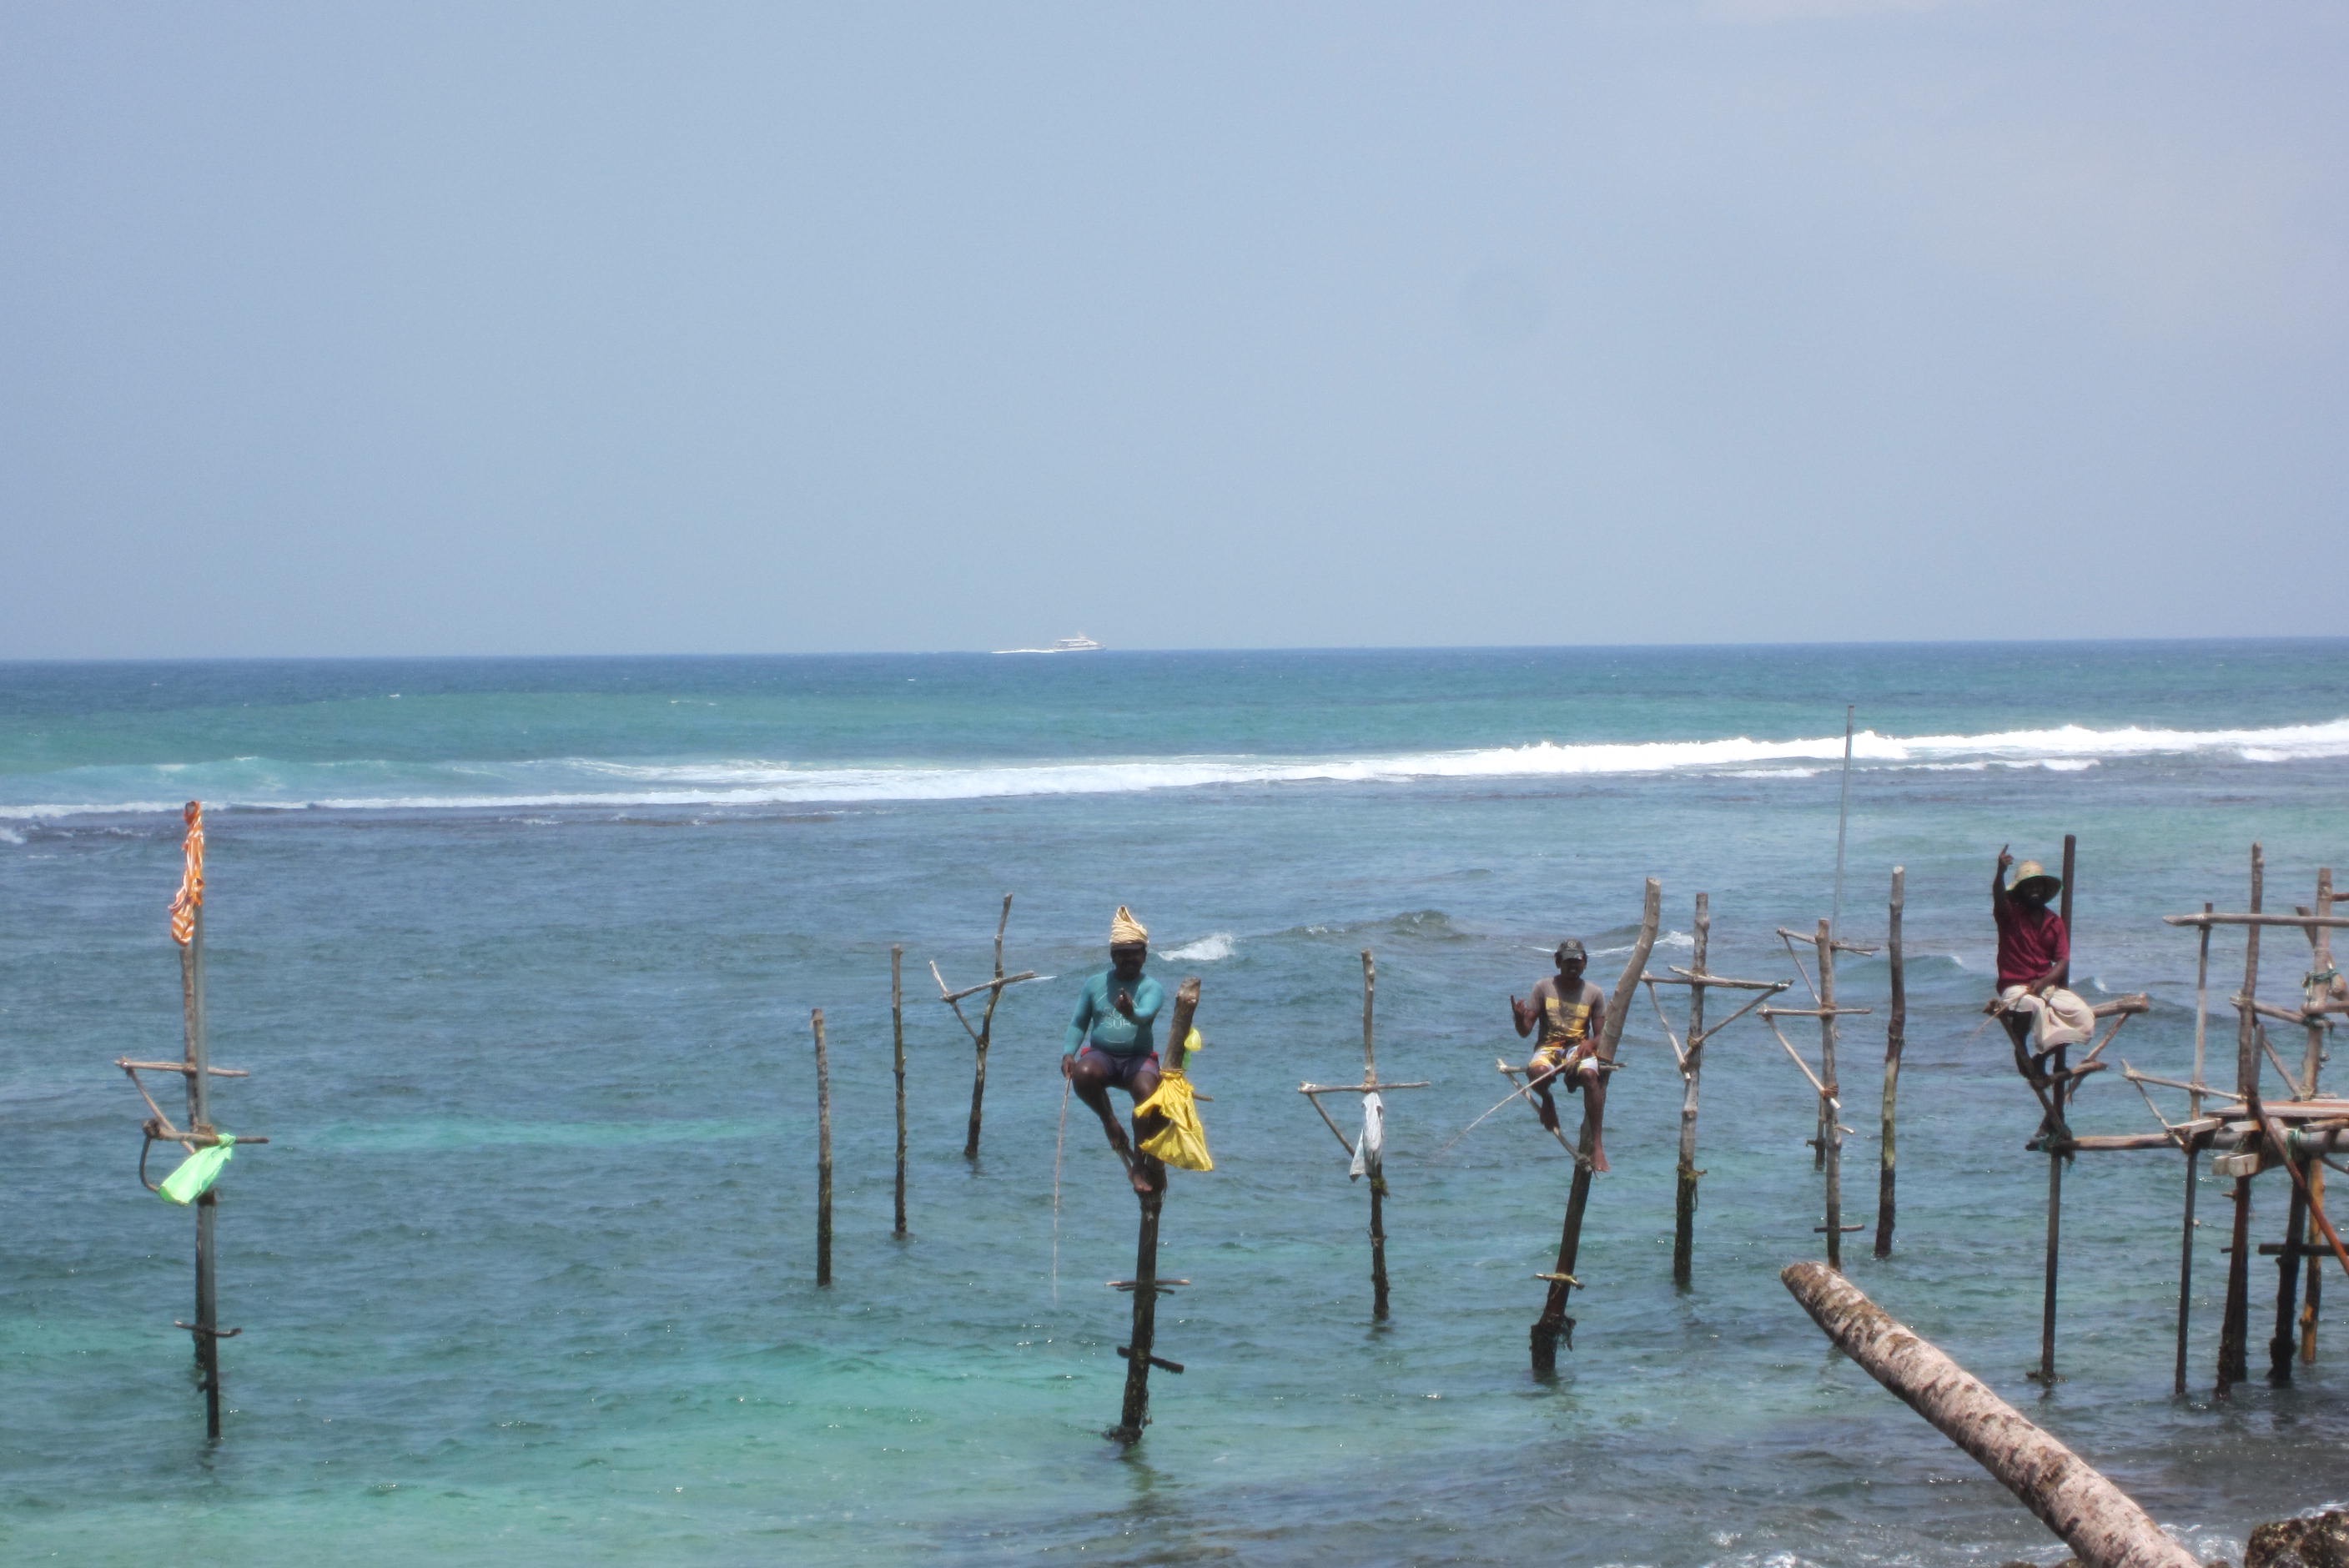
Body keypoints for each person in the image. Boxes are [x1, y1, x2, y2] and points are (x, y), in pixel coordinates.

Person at [1063, 906, 1168, 1195]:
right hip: (1103, 1058)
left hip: (1138, 1060)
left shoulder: (1152, 987)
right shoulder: (1095, 984)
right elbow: (1078, 1022)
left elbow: (1145, 1014)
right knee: (1083, 1073)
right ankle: (1110, 1122)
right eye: (1122, 954)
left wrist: (1129, 1011)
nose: (1128, 959)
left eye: (1134, 953)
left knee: (1148, 1094)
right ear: (1112, 956)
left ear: (1144, 955)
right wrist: (1069, 1053)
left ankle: (1139, 1164)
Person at [1988, 846, 2095, 1075]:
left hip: (2045, 986)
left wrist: (2045, 982)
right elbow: (1998, 897)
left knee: (2084, 1017)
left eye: (2038, 886)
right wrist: (2000, 873)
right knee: (2034, 1007)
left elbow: (2063, 960)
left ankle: (2040, 1058)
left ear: (2044, 889)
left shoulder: (2054, 922)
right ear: (2021, 890)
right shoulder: (2010, 915)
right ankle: (2022, 1051)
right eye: (2029, 886)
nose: (2034, 890)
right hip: (2016, 988)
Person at [1512, 938, 1612, 1172]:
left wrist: (1590, 1043)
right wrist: (1518, 1018)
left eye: (1577, 961)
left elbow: (1602, 1036)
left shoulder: (1594, 992)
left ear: (1585, 962)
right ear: (1558, 962)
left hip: (1577, 1048)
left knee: (1589, 1074)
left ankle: (1597, 1145)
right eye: (1568, 962)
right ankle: (1548, 1099)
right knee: (1537, 1072)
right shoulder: (1543, 987)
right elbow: (1525, 1031)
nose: (1573, 966)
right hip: (1548, 1047)